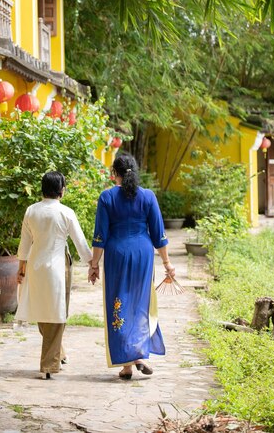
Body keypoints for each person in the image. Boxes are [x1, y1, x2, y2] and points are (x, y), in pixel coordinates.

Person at [88, 154, 175, 380]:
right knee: (140, 302)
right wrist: (167, 263)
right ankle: (140, 355)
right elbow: (159, 233)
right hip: (142, 253)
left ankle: (126, 365)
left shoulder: (107, 197)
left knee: (118, 304)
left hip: (117, 253)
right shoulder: (148, 196)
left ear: (114, 173)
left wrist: (94, 264)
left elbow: (100, 236)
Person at [15, 171, 92, 379]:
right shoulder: (66, 212)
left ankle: (60, 351)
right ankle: (49, 365)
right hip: (58, 267)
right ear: (62, 190)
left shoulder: (31, 211)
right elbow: (80, 243)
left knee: (42, 309)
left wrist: (21, 267)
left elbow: (24, 242)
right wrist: (92, 263)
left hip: (35, 265)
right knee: (58, 313)